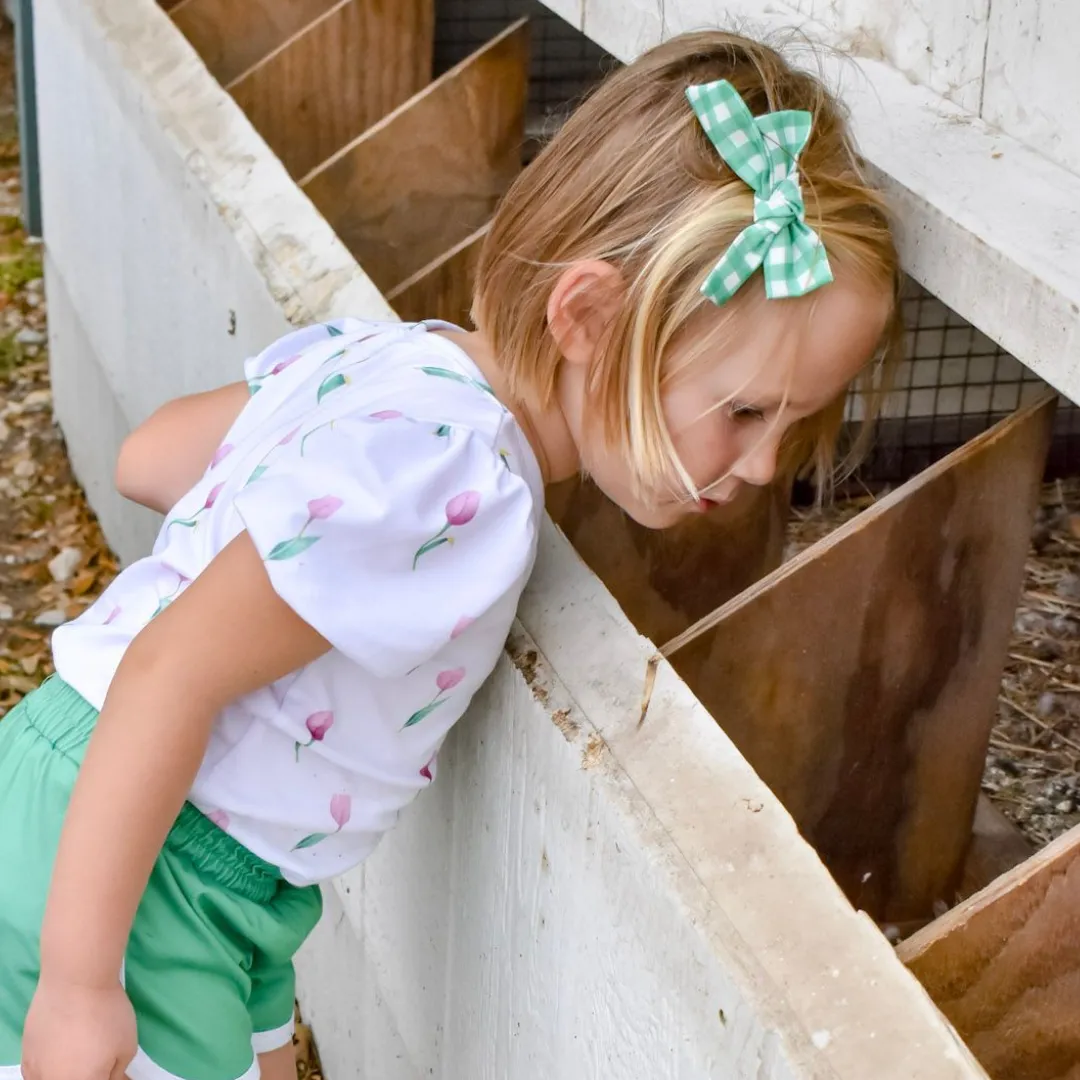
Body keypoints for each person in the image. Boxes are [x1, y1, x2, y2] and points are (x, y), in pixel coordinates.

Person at [0, 29, 901, 1080]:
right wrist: (79, 983)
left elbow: (151, 456)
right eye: (744, 412)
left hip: (152, 821)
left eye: (793, 430)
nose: (760, 467)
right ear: (590, 316)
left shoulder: (388, 361)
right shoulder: (454, 487)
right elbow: (171, 668)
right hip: (146, 863)